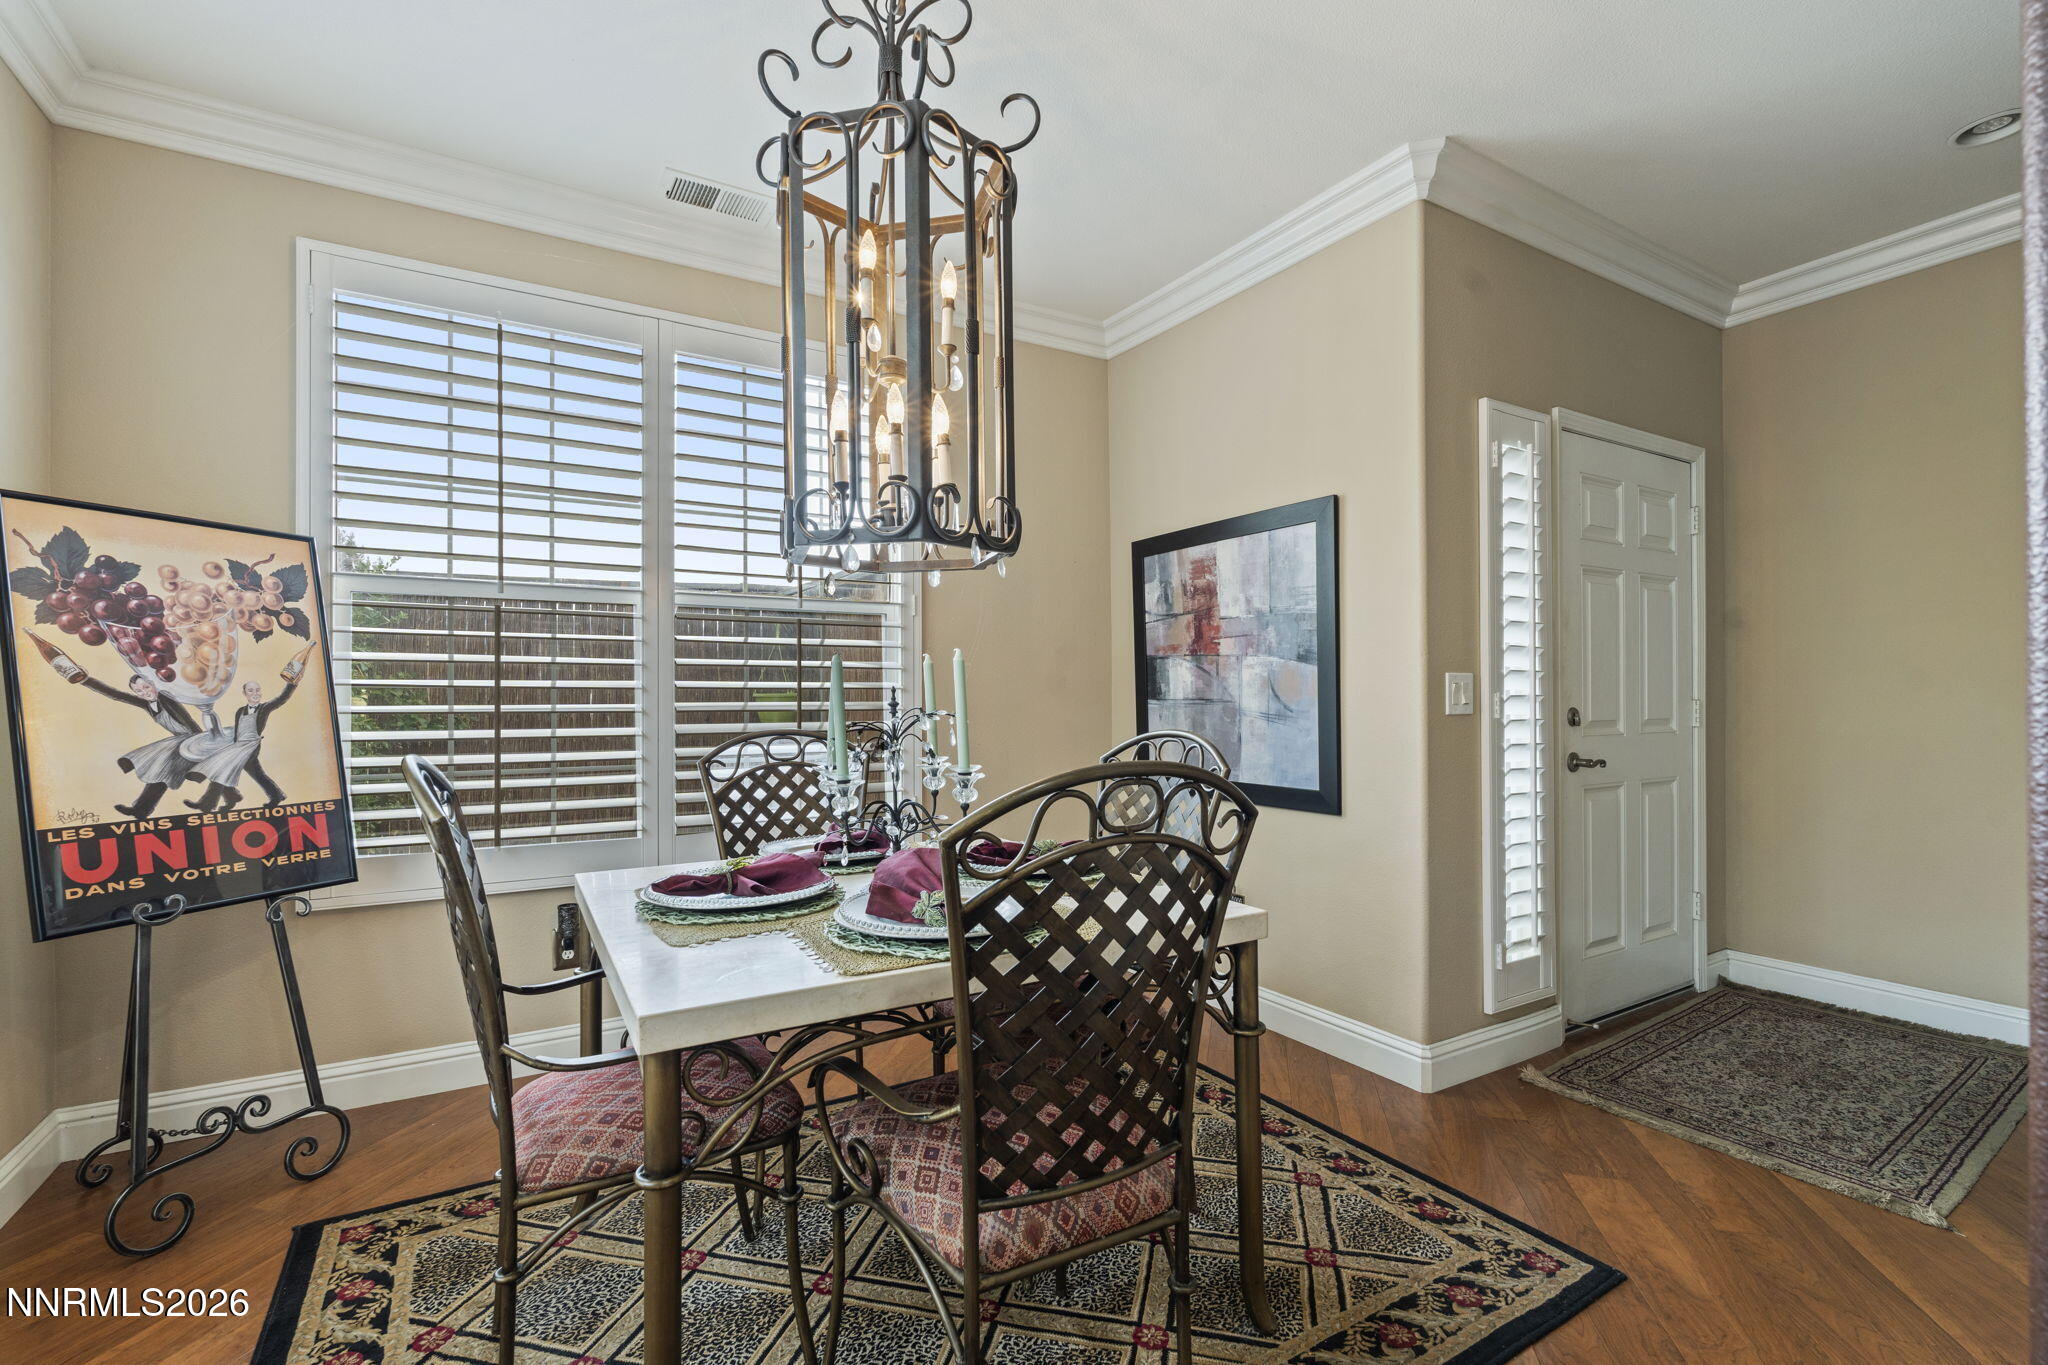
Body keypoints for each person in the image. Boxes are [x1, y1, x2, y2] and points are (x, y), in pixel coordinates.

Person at [53, 663, 204, 820]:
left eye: (146, 687)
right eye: (138, 691)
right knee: (160, 772)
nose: (144, 693)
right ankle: (141, 810)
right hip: (181, 744)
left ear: (154, 685)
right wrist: (86, 680)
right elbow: (116, 695)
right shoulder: (147, 704)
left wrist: (201, 744)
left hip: (193, 742)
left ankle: (140, 800)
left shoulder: (166, 698)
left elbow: (188, 722)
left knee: (162, 766)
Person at [184, 675, 300, 812]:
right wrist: (232, 747)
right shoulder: (240, 711)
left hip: (250, 748)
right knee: (257, 775)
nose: (255, 693)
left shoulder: (264, 708)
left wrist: (291, 684)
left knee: (221, 769)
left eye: (257, 690)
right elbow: (239, 732)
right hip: (238, 747)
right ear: (245, 694)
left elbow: (281, 699)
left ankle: (208, 802)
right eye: (251, 691)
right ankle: (274, 795)